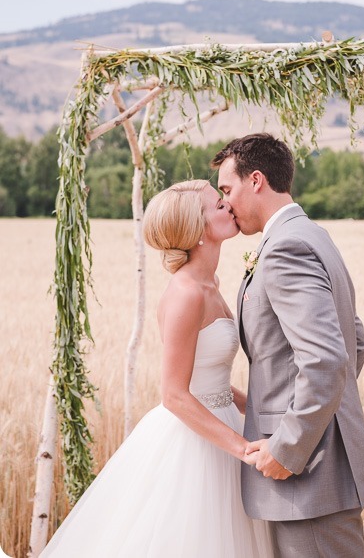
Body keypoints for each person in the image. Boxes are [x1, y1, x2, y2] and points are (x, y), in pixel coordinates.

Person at [40, 179, 273, 557]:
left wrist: (260, 410)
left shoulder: (210, 284)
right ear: (196, 229)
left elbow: (209, 378)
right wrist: (244, 448)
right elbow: (175, 394)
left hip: (222, 426)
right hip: (196, 444)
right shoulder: (186, 293)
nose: (228, 206)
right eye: (218, 204)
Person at [211, 134, 364, 558]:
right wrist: (316, 405)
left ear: (256, 180)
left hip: (307, 478)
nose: (225, 203)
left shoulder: (284, 247)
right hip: (316, 477)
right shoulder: (311, 234)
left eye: (227, 190)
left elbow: (326, 360)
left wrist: (288, 446)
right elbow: (353, 341)